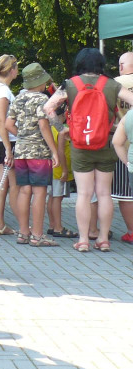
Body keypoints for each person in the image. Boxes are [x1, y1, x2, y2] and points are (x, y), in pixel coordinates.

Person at [44, 47, 133, 252]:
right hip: (105, 143)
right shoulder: (111, 84)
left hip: (79, 145)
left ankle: (83, 239)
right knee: (104, 194)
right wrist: (118, 128)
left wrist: (63, 128)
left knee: (84, 194)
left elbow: (48, 108)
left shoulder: (69, 84)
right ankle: (103, 239)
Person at [4, 63, 60, 247]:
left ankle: (23, 233)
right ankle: (37, 235)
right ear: (41, 82)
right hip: (39, 153)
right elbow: (44, 126)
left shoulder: (18, 99)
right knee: (39, 192)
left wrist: (22, 135)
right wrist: (53, 150)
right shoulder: (42, 99)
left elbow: (8, 124)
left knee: (24, 190)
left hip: (21, 151)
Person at [0, 55, 20, 236]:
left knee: (4, 180)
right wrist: (9, 149)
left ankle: (0, 224)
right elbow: (1, 121)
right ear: (12, 70)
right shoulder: (2, 91)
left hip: (0, 141)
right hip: (4, 141)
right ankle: (21, 224)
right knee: (10, 183)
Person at [112, 52, 133, 242]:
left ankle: (131, 231)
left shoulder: (115, 84)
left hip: (123, 145)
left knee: (125, 193)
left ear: (121, 66)